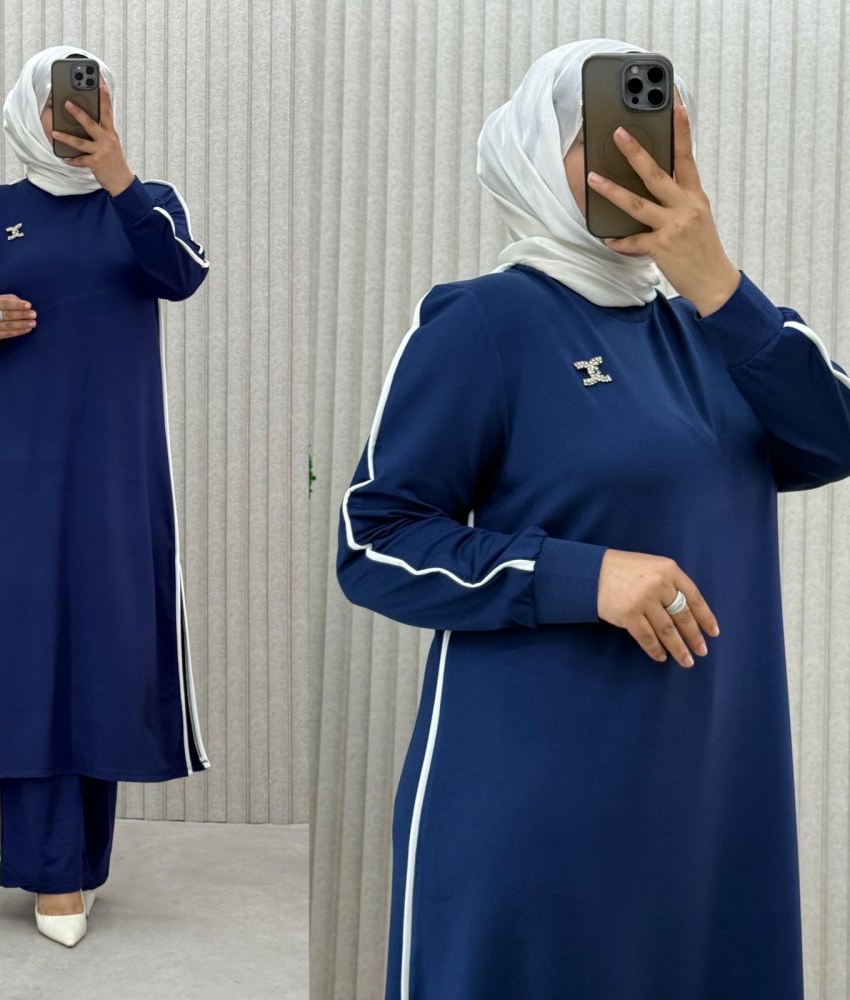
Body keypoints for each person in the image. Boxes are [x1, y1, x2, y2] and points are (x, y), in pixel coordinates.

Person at [335, 37, 850, 999]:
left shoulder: (715, 332)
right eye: (604, 137)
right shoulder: (485, 323)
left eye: (661, 135)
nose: (640, 159)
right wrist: (582, 574)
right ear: (536, 155)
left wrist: (718, 284)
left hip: (707, 805)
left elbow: (836, 438)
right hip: (543, 806)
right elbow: (374, 540)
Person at [0, 44, 210, 947]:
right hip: (14, 464)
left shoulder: (147, 203)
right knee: (27, 647)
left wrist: (118, 174)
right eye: (63, 101)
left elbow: (183, 275)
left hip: (116, 465)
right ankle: (53, 873)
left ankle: (82, 862)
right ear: (31, 109)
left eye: (95, 99)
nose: (79, 114)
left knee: (103, 641)